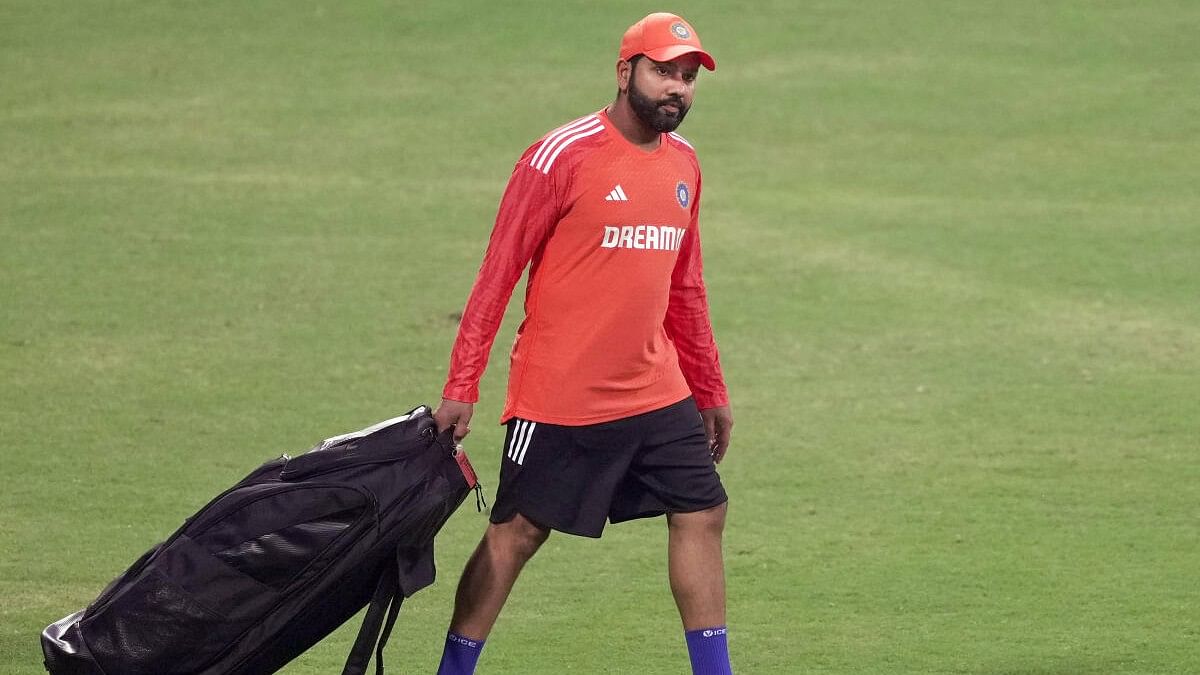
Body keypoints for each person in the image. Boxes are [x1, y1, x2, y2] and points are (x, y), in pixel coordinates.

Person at [432, 12, 734, 675]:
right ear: (625, 72)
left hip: (654, 387)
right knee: (516, 534)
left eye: (687, 78)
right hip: (560, 394)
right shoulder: (559, 157)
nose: (677, 89)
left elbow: (687, 289)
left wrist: (709, 391)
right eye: (663, 72)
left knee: (703, 507)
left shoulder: (685, 165)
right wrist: (462, 384)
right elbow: (496, 277)